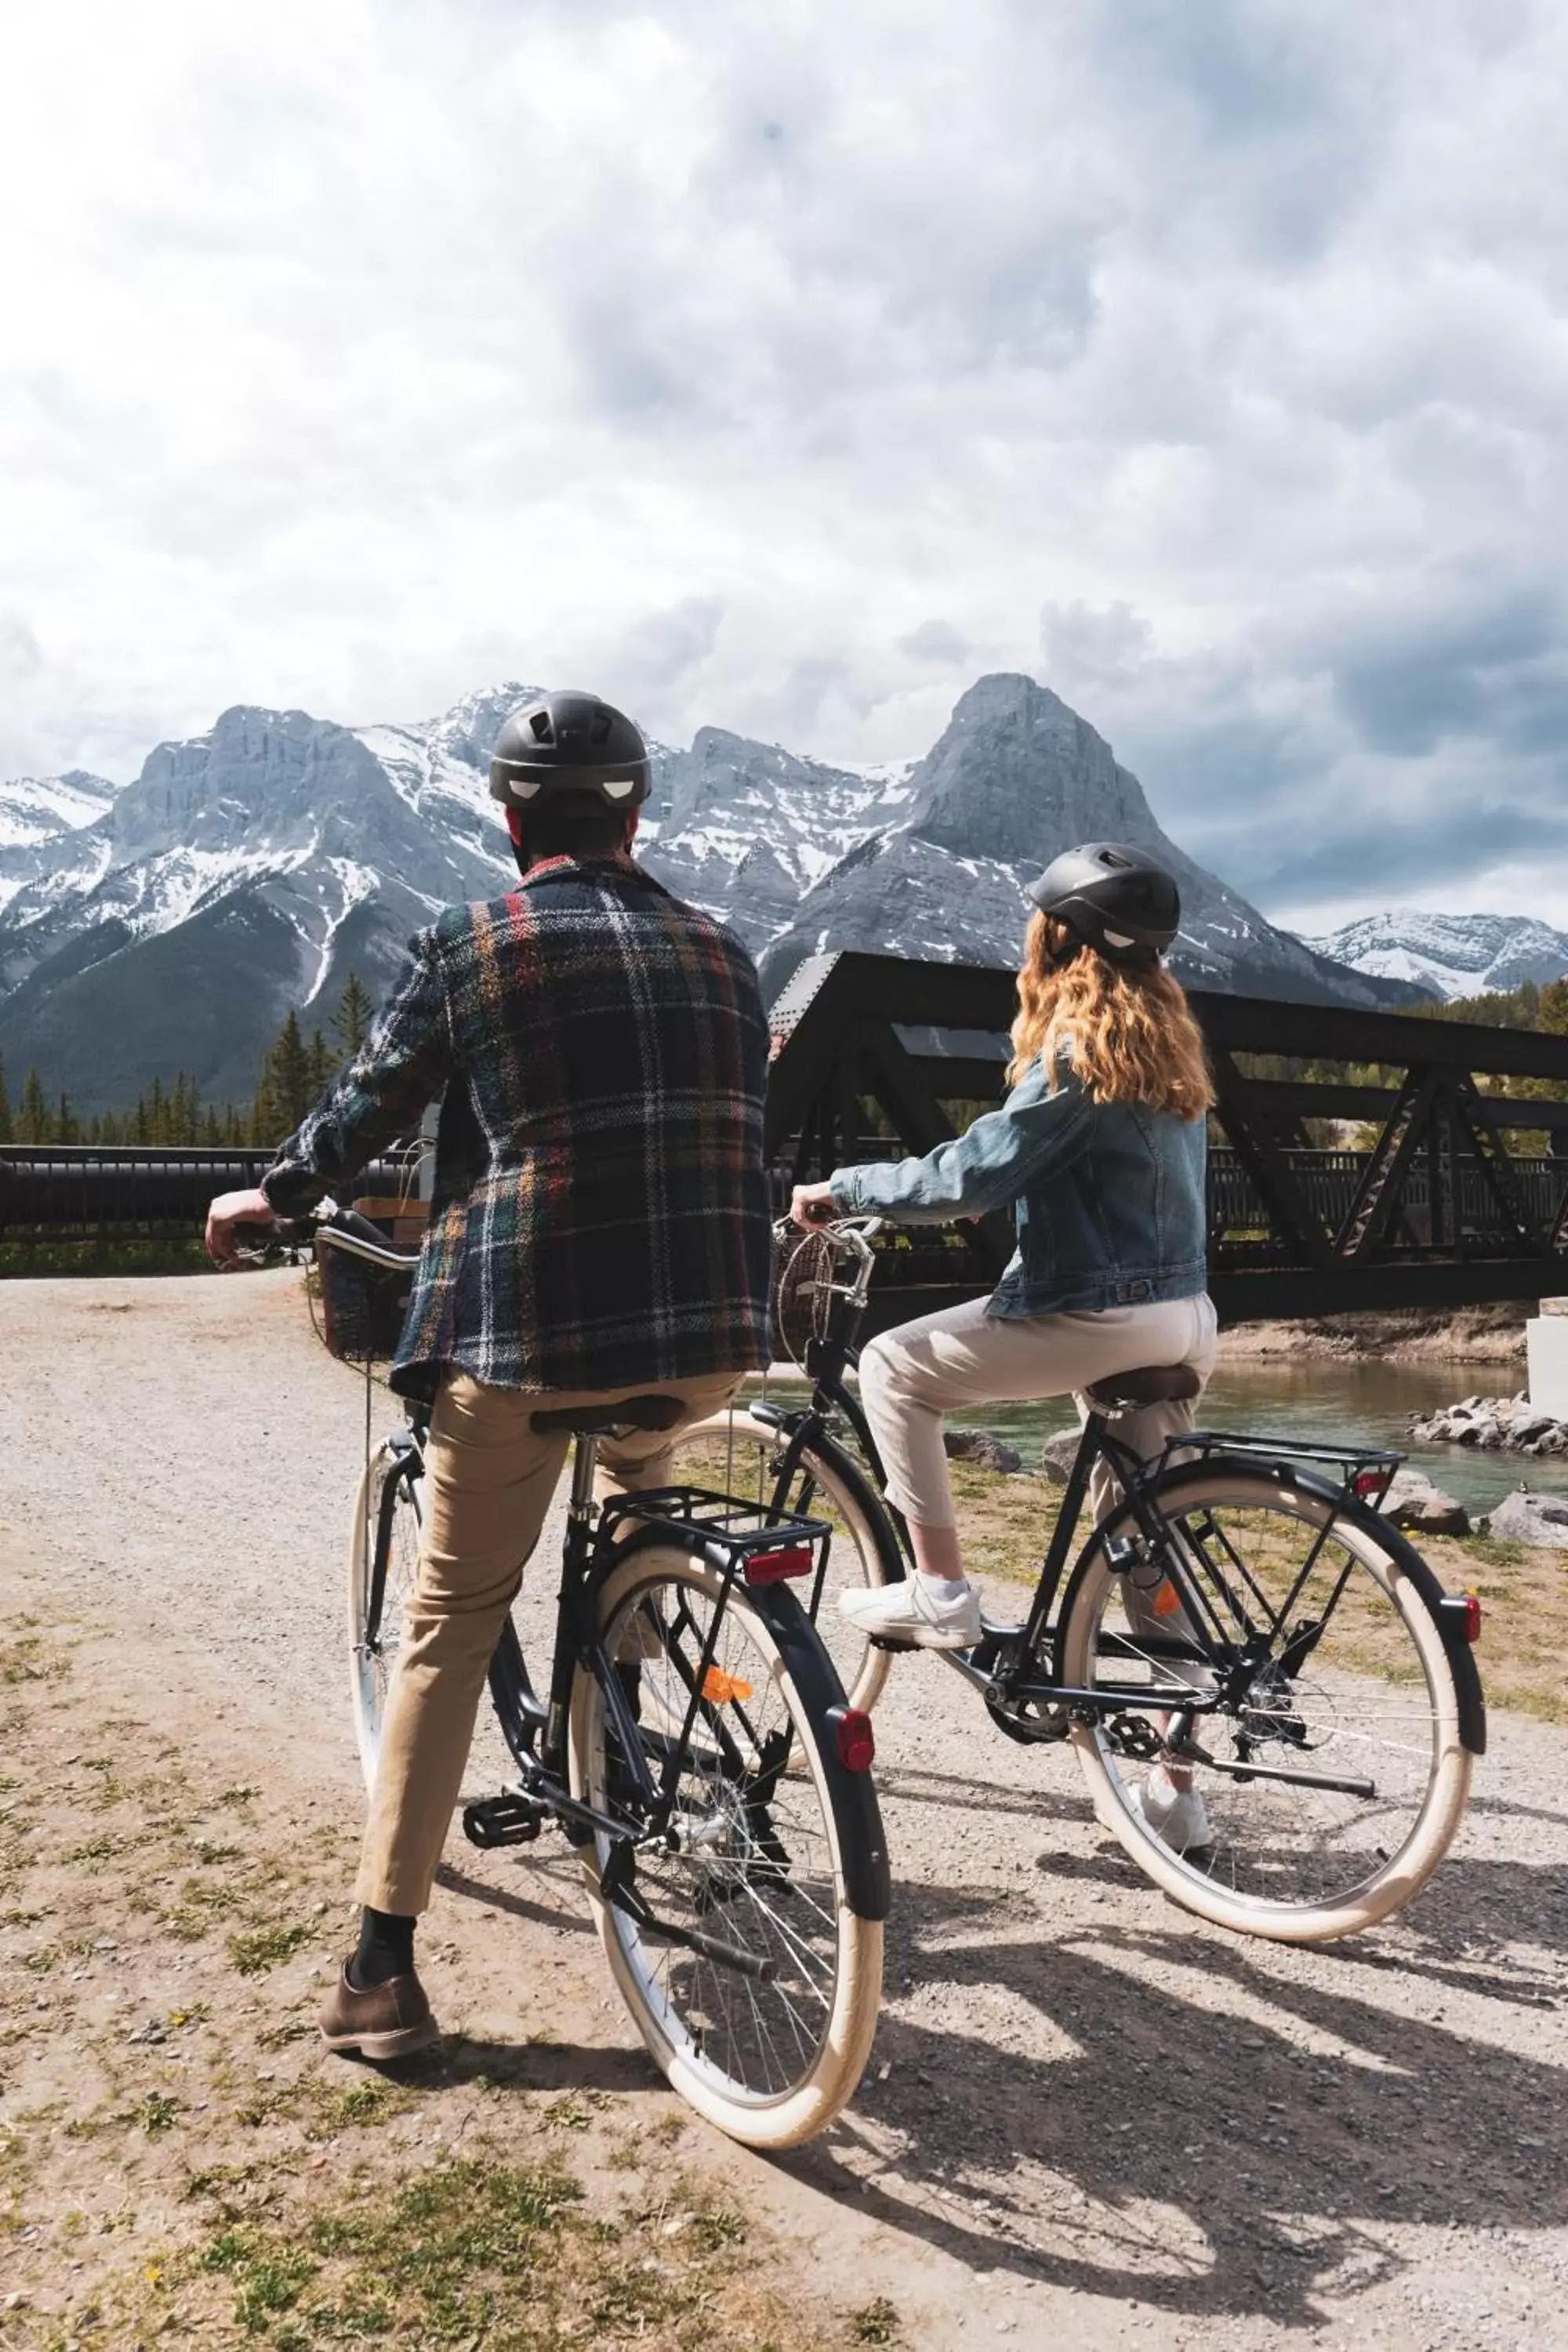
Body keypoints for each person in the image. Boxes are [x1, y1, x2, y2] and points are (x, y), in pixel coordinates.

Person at [205, 690, 773, 2057]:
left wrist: (268, 1198)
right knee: (638, 1495)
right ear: (637, 815)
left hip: (527, 1343)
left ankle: (379, 1972)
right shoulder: (727, 949)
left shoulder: (475, 942)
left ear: (509, 819)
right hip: (710, 1341)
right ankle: (621, 1723)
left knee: (451, 1622)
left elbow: (365, 1110)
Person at [790, 841, 1218, 1854]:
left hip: (1103, 1311)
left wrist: (844, 1189)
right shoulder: (1167, 1048)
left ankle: (940, 1589)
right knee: (1143, 1540)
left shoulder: (1078, 1052)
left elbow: (974, 1174)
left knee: (893, 1366)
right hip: (1186, 1316)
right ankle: (1179, 1790)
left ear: (1058, 940)